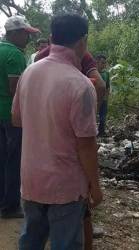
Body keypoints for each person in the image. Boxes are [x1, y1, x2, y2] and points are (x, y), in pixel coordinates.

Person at [12, 13, 103, 249]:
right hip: (66, 187)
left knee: (30, 240)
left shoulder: (29, 73)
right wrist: (95, 185)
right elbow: (86, 145)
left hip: (31, 180)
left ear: (51, 38)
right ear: (82, 41)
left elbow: (17, 120)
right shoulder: (81, 85)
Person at [35, 35, 105, 250]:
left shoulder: (38, 60)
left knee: (38, 215)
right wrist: (90, 114)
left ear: (51, 38)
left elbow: (19, 115)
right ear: (82, 40)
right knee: (79, 210)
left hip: (39, 150)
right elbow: (100, 86)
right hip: (69, 153)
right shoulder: (83, 59)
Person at [0, 16, 39, 219]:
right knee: (14, 160)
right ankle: (10, 206)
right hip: (11, 116)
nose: (28, 39)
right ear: (14, 33)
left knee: (2, 157)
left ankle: (2, 201)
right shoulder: (15, 55)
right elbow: (16, 90)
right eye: (26, 34)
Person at [35, 43, 106, 109]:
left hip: (43, 110)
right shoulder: (83, 54)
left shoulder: (41, 55)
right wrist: (92, 111)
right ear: (83, 40)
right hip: (73, 110)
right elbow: (100, 86)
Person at [95, 54, 110, 137]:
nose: (104, 65)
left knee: (102, 117)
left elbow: (108, 86)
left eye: (105, 63)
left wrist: (106, 98)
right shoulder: (92, 73)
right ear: (97, 62)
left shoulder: (106, 74)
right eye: (102, 63)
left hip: (103, 99)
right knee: (92, 117)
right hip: (94, 99)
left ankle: (101, 132)